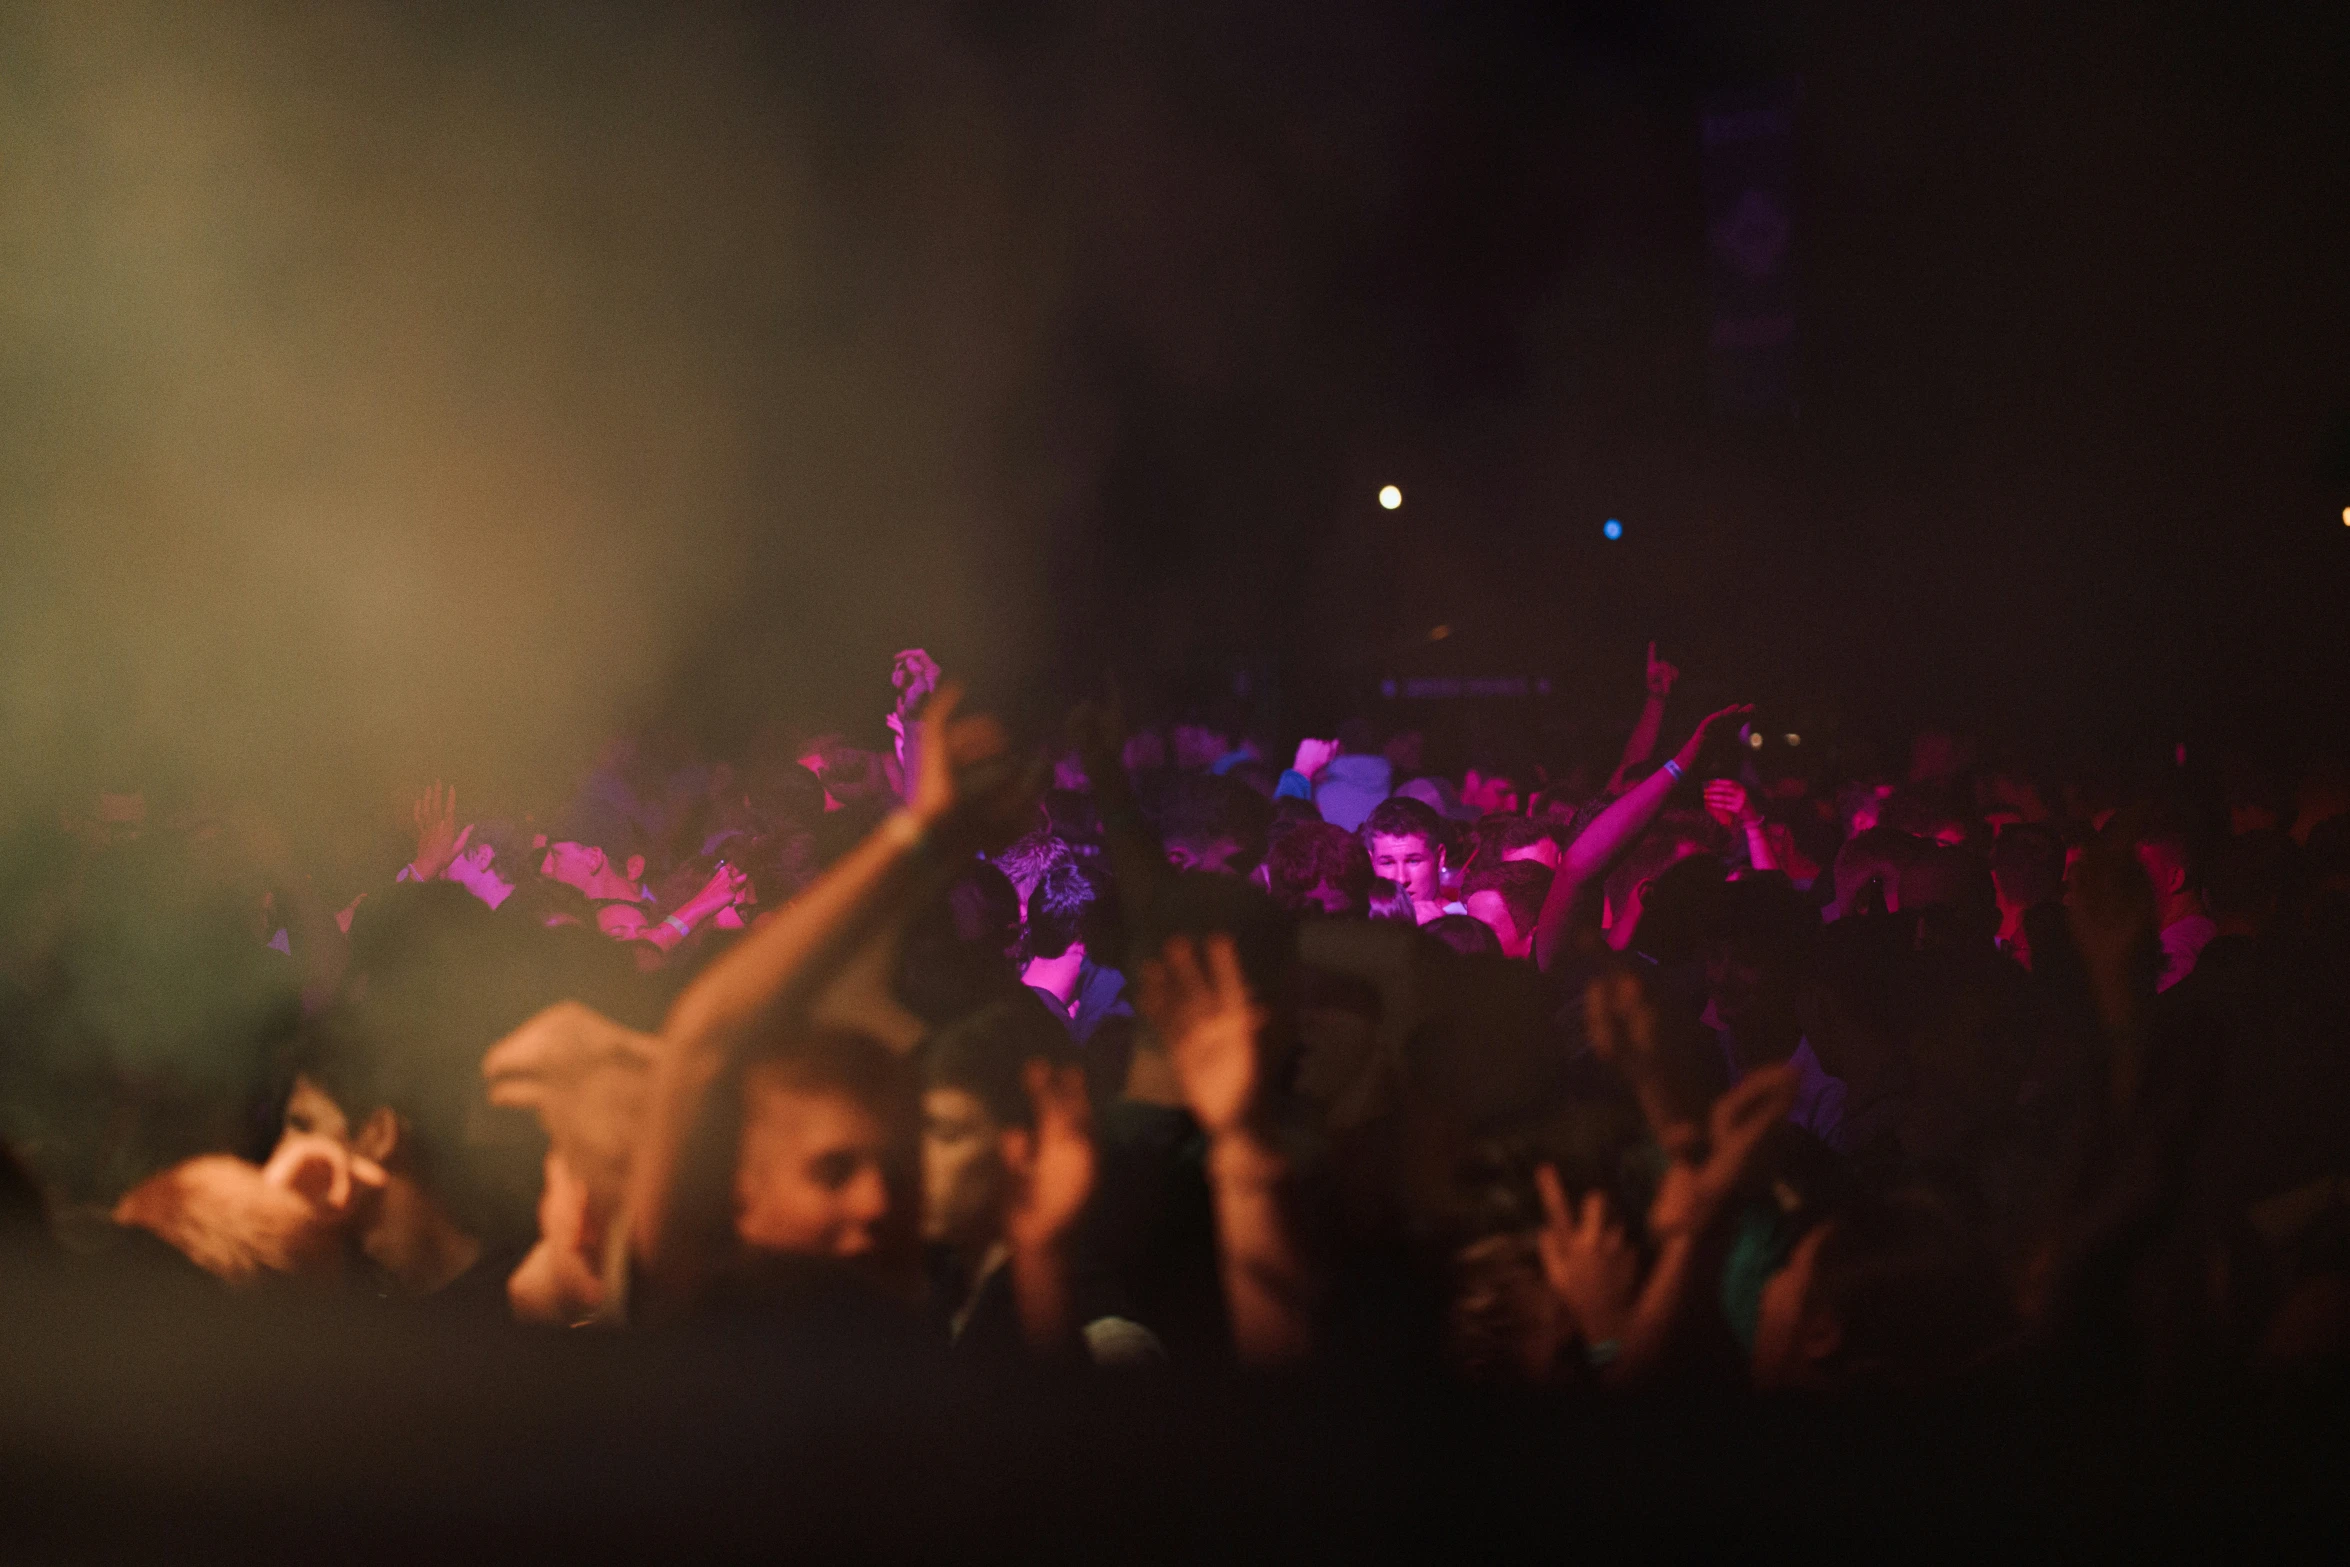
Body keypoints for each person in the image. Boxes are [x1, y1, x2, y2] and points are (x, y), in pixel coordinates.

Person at [1361, 796, 1452, 924]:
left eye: (1413, 861)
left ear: (1440, 857)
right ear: (1372, 862)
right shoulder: (1357, 931)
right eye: (1387, 863)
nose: (1401, 879)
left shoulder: (1470, 926)